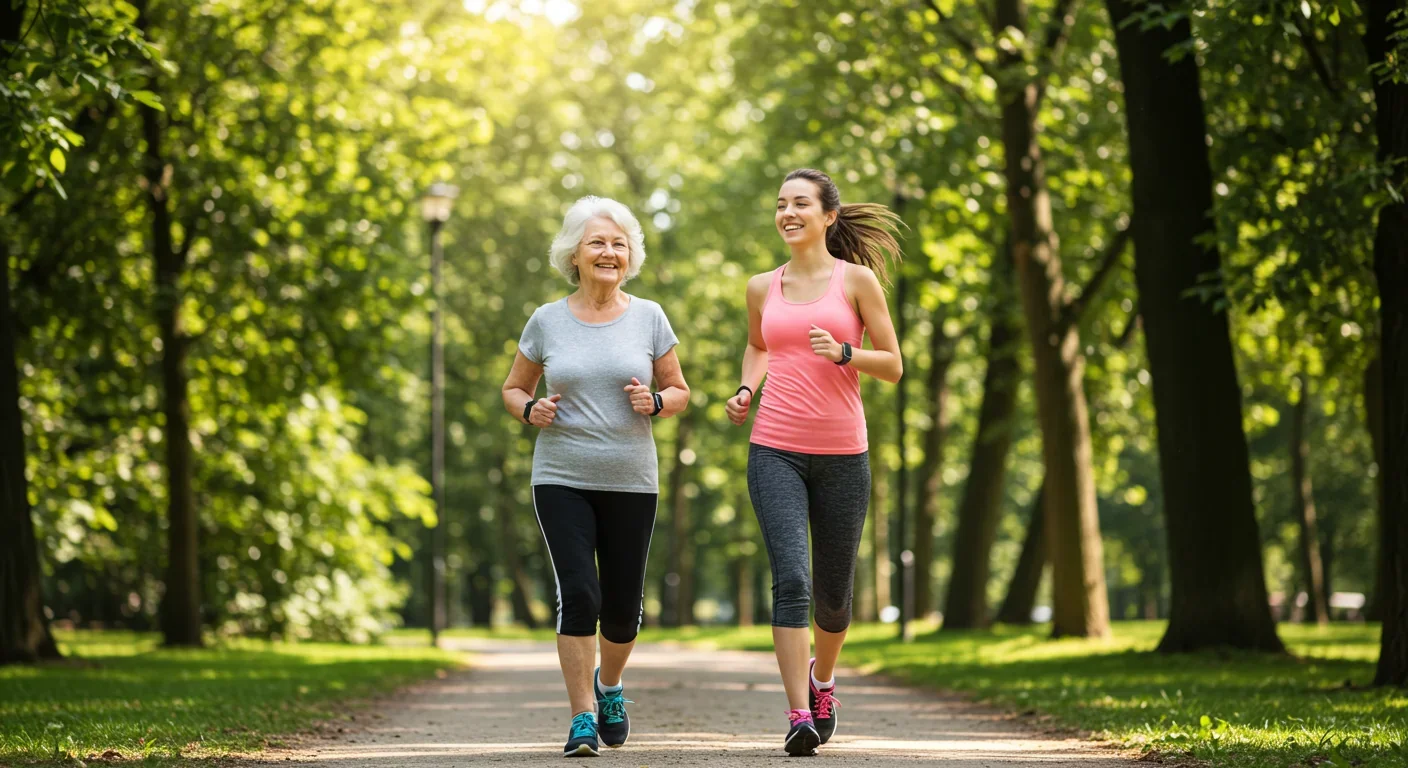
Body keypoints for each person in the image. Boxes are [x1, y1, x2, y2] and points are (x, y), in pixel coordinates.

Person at [502, 195, 689, 757]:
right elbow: (514, 388)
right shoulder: (547, 320)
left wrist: (655, 402)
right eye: (597, 243)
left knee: (625, 607)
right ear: (574, 255)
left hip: (632, 479)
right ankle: (582, 716)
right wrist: (528, 410)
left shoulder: (650, 316)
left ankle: (610, 687)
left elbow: (681, 390)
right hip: (561, 474)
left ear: (629, 256)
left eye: (618, 244)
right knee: (579, 592)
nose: (609, 252)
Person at [725, 168, 904, 756]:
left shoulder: (856, 283)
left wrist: (847, 352)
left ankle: (822, 681)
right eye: (781, 204)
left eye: (800, 203)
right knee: (793, 580)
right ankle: (800, 714)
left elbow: (894, 364)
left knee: (833, 595)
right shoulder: (761, 287)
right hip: (774, 447)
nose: (787, 212)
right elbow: (758, 346)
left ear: (829, 215)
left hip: (843, 454)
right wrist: (747, 390)